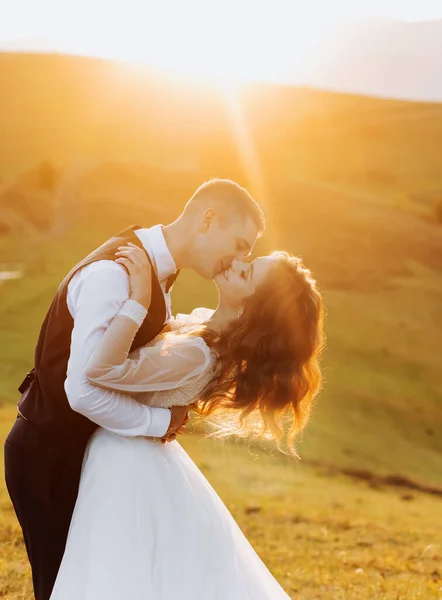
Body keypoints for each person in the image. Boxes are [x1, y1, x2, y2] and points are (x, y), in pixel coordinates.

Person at [4, 178, 265, 600]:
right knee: (61, 588)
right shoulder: (114, 273)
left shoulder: (157, 274)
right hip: (48, 456)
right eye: (239, 244)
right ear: (209, 219)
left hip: (85, 455)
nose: (236, 258)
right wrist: (160, 420)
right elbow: (83, 391)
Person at [49, 241, 325, 599]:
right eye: (249, 261)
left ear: (253, 309)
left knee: (115, 570)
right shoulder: (203, 330)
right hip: (135, 453)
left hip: (126, 461)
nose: (237, 263)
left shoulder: (197, 353)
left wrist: (138, 298)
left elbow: (102, 369)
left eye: (247, 274)